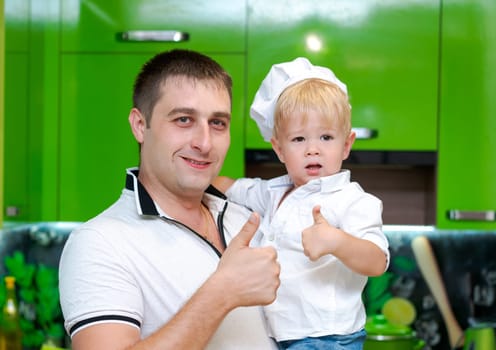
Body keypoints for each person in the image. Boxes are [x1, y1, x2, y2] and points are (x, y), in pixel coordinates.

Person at [58, 49, 281, 350]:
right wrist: (222, 292)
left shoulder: (244, 218)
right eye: (184, 119)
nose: (204, 143)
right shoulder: (99, 242)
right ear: (140, 125)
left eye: (217, 123)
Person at [213, 57, 390, 349]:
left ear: (346, 144)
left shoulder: (352, 200)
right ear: (278, 148)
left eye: (326, 137)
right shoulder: (271, 193)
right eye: (298, 139)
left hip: (327, 339)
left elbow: (377, 261)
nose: (312, 150)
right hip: (279, 335)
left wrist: (336, 241)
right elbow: (229, 186)